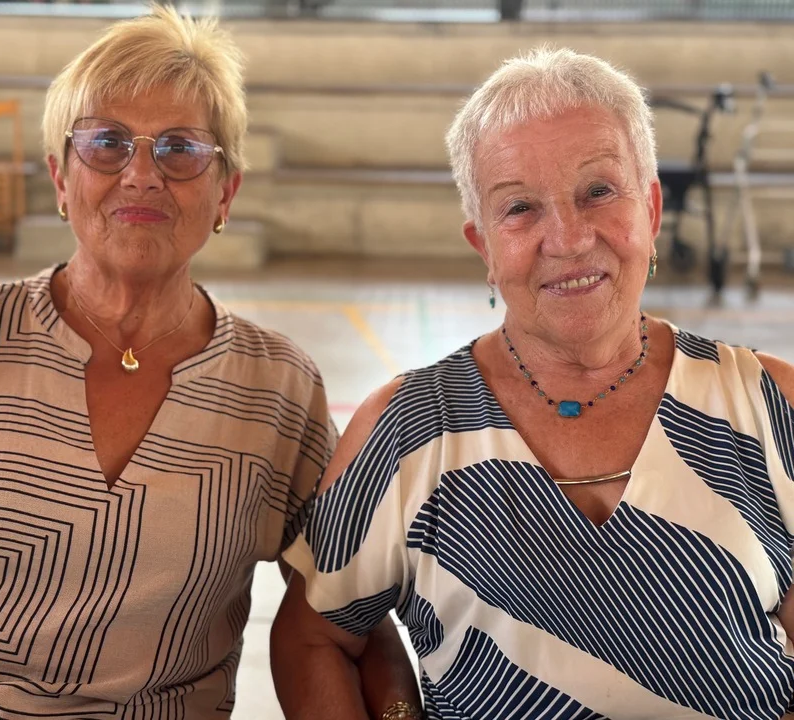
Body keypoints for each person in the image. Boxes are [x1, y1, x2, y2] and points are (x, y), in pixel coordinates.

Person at [0, 7, 418, 718]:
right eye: (107, 143)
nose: (141, 175)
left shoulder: (278, 389)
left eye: (180, 149)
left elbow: (345, 614)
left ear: (225, 192)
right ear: (61, 179)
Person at [271, 47, 794, 720]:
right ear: (484, 247)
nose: (569, 239)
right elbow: (314, 636)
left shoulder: (766, 404)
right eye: (520, 207)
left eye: (598, 191)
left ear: (652, 209)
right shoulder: (409, 428)